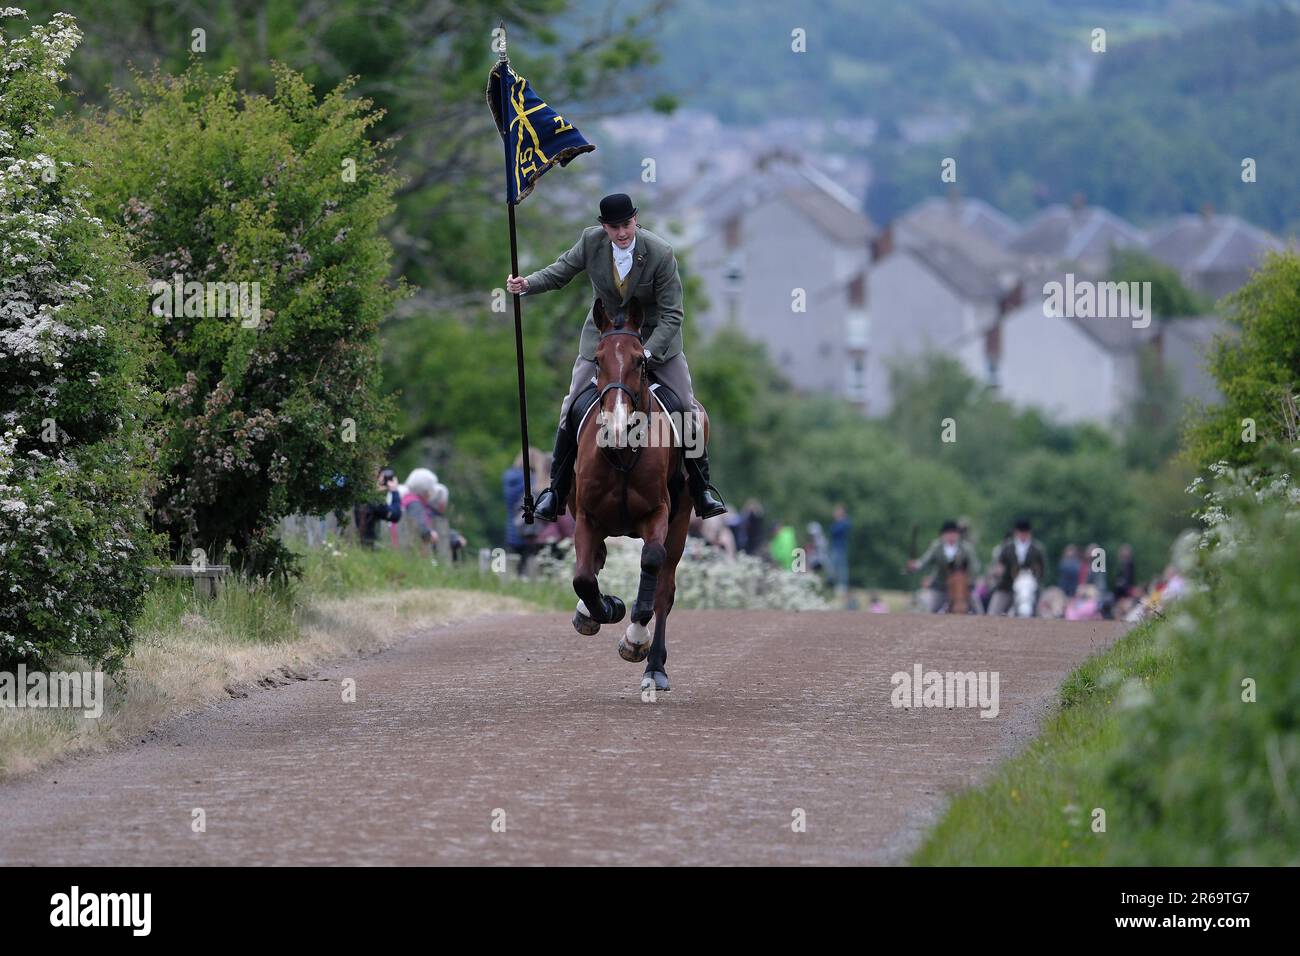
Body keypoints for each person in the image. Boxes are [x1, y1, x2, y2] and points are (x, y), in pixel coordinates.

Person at [506, 193, 725, 522]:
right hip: (604, 341)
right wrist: (527, 284)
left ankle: (701, 487)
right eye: (614, 227)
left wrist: (647, 353)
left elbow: (672, 315)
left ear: (635, 219)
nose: (622, 233)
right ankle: (556, 489)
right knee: (570, 408)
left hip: (655, 341)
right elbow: (561, 271)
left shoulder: (660, 253)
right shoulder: (590, 242)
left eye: (626, 224)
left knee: (684, 407)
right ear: (603, 227)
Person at [908, 519, 981, 612]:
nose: (951, 536)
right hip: (941, 585)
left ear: (958, 535)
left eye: (954, 533)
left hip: (962, 587)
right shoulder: (936, 547)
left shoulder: (966, 548)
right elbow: (925, 561)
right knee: (932, 609)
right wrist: (916, 565)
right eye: (948, 533)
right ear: (943, 535)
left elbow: (974, 566)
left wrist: (969, 580)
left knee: (977, 608)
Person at [988, 518, 1047, 616]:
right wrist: (999, 571)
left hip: (1029, 589)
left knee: (1042, 613)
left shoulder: (1037, 550)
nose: (1023, 535)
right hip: (1007, 586)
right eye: (1021, 532)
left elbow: (1042, 570)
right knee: (993, 611)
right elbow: (999, 565)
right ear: (1016, 533)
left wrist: (1034, 581)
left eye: (1026, 533)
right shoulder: (1007, 548)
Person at [503, 452, 539, 575]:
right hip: (528, 531)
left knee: (512, 570)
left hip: (511, 530)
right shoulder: (532, 480)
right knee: (527, 572)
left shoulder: (508, 479)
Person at [354, 466, 402, 548]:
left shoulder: (356, 493)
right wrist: (394, 491)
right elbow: (395, 515)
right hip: (367, 547)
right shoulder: (374, 500)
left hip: (350, 545)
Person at [828, 504, 851, 595]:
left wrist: (840, 520)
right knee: (833, 567)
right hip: (835, 546)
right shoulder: (838, 522)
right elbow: (832, 530)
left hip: (840, 547)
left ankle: (842, 585)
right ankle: (834, 585)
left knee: (841, 568)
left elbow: (838, 530)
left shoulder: (844, 522)